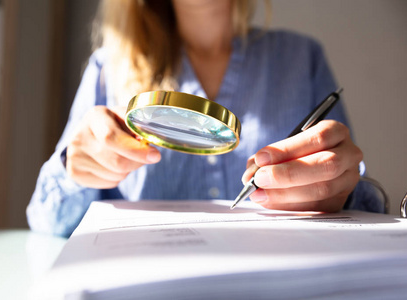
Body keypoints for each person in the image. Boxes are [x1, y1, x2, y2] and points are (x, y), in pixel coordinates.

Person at [27, 0, 384, 237]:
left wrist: (341, 186)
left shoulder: (302, 58)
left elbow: (361, 204)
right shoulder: (108, 67)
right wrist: (74, 169)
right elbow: (46, 222)